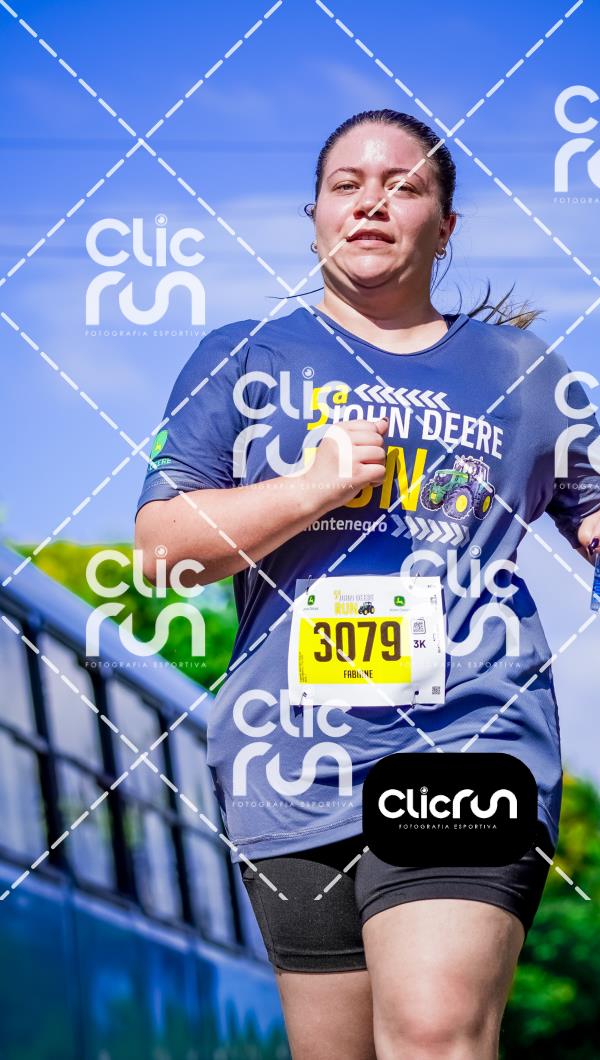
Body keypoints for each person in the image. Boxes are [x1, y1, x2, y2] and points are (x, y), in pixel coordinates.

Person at [135, 109, 600, 1060]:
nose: (371, 203)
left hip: (467, 736)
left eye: (404, 186)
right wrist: (308, 487)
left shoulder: (522, 372)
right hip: (287, 761)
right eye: (346, 185)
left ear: (446, 224)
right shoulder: (242, 358)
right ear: (314, 215)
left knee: (431, 1035)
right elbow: (161, 550)